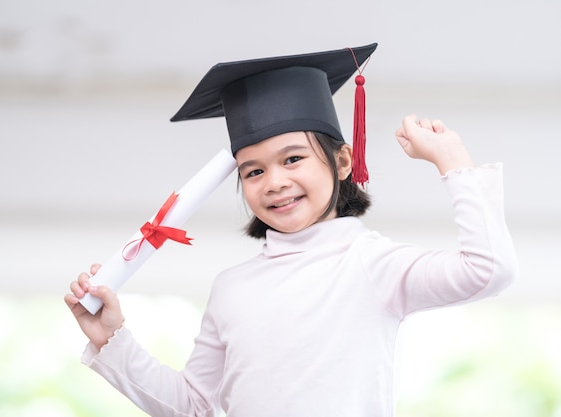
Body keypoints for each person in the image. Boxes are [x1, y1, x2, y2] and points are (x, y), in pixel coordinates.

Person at [64, 43, 518, 417]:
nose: (275, 182)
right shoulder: (232, 288)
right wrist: (111, 337)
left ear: (343, 161)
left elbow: (488, 270)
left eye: (293, 158)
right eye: (253, 171)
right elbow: (196, 406)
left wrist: (451, 159)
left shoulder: (372, 265)